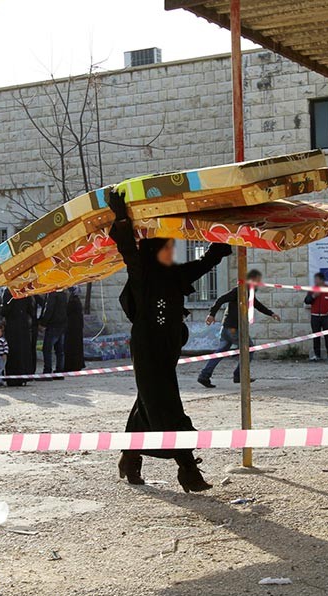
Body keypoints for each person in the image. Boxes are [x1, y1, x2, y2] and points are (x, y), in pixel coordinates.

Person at [108, 189, 231, 493]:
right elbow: (127, 248)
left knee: (149, 402)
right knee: (166, 403)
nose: (171, 252)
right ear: (154, 250)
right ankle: (187, 468)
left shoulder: (174, 275)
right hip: (147, 347)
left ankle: (130, 457)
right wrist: (121, 214)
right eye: (167, 247)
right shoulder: (142, 273)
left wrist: (227, 230)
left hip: (167, 349)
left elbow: (207, 261)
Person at [197, 270, 280, 388]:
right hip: (233, 329)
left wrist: (271, 314)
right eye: (257, 280)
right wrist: (211, 314)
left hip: (227, 328)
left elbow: (257, 305)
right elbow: (221, 299)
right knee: (249, 349)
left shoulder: (247, 292)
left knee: (220, 353)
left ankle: (204, 376)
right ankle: (239, 375)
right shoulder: (239, 291)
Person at [0, 289, 37, 387]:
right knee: (24, 351)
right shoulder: (25, 291)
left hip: (13, 325)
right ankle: (24, 376)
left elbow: (6, 309)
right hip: (23, 325)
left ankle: (13, 379)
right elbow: (31, 309)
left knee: (14, 352)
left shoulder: (9, 292)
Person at [304, 272, 328, 361]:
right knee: (316, 336)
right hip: (315, 317)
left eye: (317, 279)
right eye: (315, 279)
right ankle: (317, 355)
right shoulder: (312, 289)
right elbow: (307, 301)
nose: (315, 281)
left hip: (326, 317)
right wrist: (313, 296)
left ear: (322, 280)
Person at [39, 290, 68, 374]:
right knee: (59, 350)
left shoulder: (52, 294)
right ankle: (60, 370)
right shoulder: (64, 294)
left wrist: (43, 323)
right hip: (62, 324)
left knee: (47, 349)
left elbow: (48, 309)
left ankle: (47, 370)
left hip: (53, 324)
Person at [64, 287, 85, 372]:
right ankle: (76, 364)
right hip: (76, 328)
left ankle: (72, 365)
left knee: (72, 347)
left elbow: (68, 312)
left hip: (72, 328)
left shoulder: (73, 302)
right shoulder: (76, 301)